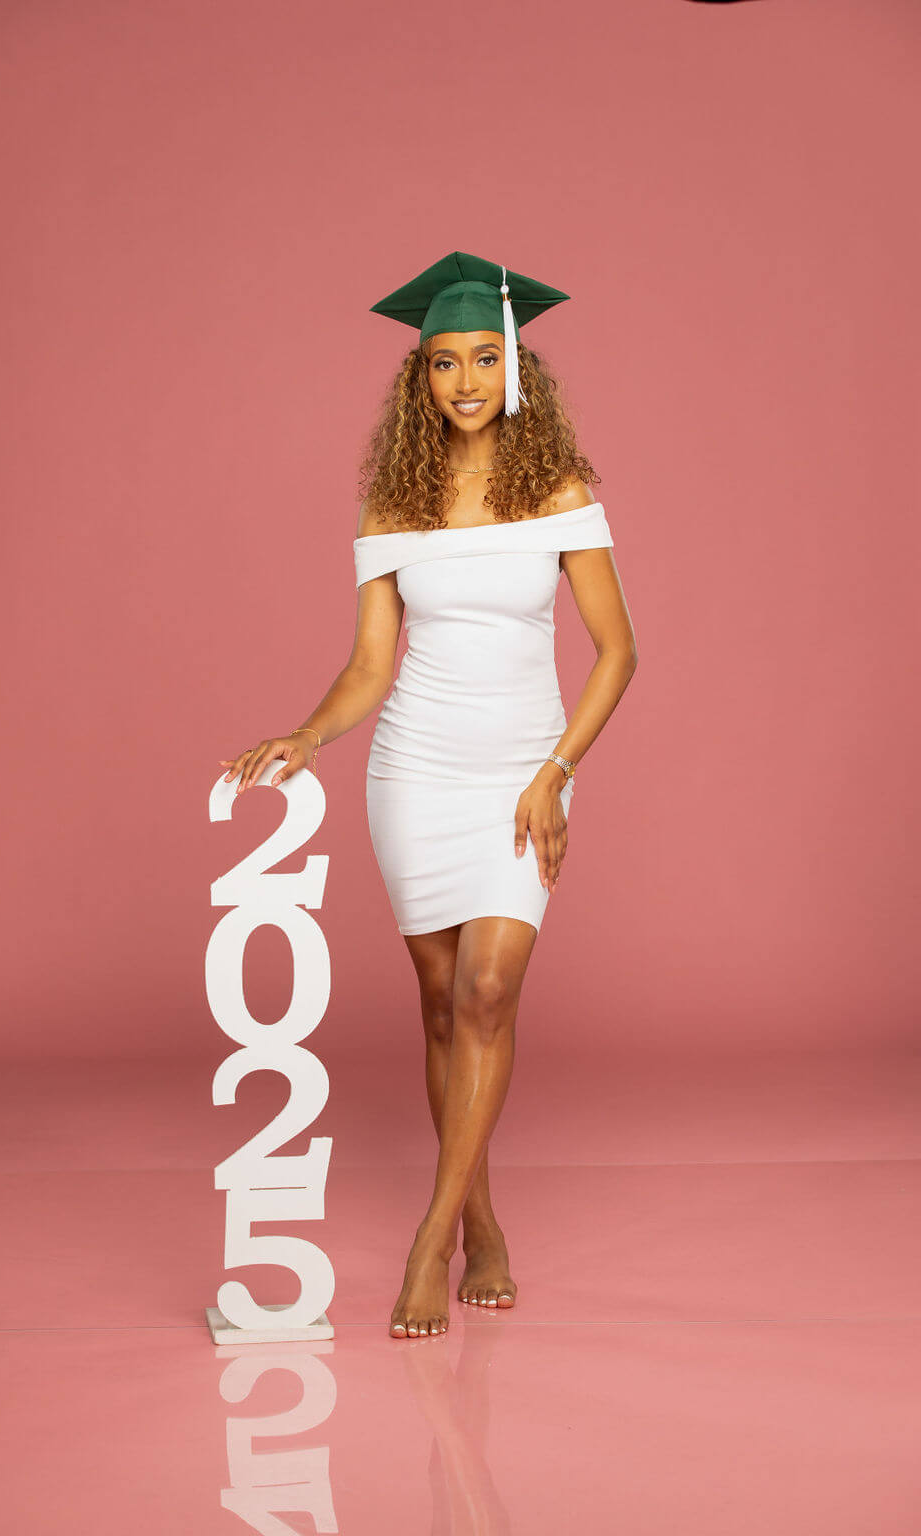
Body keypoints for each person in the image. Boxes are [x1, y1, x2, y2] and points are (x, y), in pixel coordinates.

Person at [220, 251, 638, 1340]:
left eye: (485, 358)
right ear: (420, 376)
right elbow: (371, 665)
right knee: (444, 1001)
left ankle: (428, 1237)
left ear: (518, 367)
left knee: (491, 990)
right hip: (414, 770)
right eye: (444, 362)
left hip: (522, 770)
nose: (465, 380)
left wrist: (556, 773)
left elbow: (618, 653)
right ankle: (482, 1222)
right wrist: (309, 733)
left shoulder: (560, 491)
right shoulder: (392, 502)